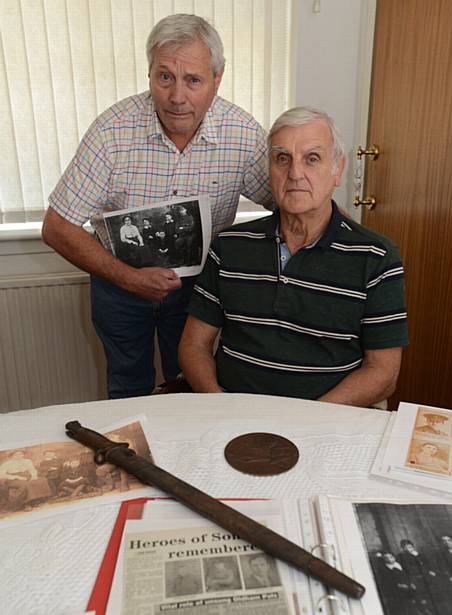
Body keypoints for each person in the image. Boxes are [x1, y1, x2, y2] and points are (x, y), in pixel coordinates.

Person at [42, 14, 272, 399]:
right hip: (119, 285)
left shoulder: (243, 134)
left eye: (193, 80)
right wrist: (128, 278)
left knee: (189, 389)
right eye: (165, 77)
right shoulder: (112, 132)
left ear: (218, 79)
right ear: (149, 74)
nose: (177, 96)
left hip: (197, 290)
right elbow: (57, 227)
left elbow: (296, 202)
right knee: (126, 387)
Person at [179, 106, 408, 406]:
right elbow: (193, 345)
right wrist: (216, 403)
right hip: (233, 417)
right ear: (269, 170)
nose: (295, 173)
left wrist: (305, 421)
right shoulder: (229, 245)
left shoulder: (377, 258)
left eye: (312, 159)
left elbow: (383, 373)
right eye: (282, 158)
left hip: (328, 421)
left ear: (337, 169)